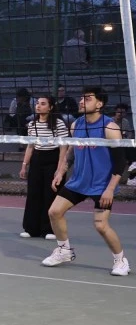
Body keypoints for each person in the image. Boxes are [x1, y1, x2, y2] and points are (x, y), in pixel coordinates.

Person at [42, 86, 129, 277]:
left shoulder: (109, 127)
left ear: (100, 104)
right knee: (54, 212)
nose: (81, 101)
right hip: (79, 181)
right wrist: (61, 171)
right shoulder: (76, 125)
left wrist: (110, 189)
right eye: (81, 98)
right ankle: (64, 251)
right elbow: (71, 152)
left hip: (101, 184)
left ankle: (121, 260)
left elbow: (120, 162)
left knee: (101, 225)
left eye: (87, 99)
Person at [19, 95, 69, 239]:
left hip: (53, 159)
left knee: (50, 195)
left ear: (51, 107)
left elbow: (63, 148)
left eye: (42, 104)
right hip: (37, 159)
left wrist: (59, 169)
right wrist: (24, 166)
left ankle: (49, 230)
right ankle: (31, 228)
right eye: (37, 104)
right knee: (34, 194)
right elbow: (30, 146)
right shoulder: (32, 124)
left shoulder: (59, 124)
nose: (38, 106)